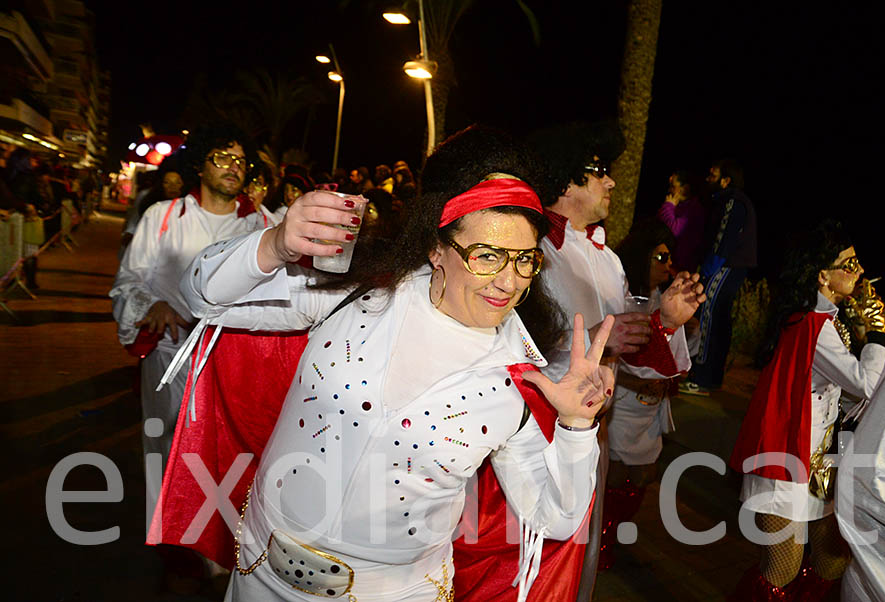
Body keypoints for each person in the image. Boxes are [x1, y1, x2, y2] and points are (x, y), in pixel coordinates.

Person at [176, 125, 615, 601]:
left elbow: (557, 518)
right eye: (486, 256)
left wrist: (574, 426)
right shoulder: (353, 296)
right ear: (437, 249)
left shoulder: (517, 383)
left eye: (524, 260)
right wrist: (275, 244)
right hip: (260, 576)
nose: (507, 281)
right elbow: (201, 297)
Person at [528, 121, 704, 586]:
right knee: (533, 560)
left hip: (593, 438)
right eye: (600, 171)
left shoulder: (607, 260)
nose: (611, 182)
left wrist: (664, 321)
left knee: (580, 562)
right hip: (534, 437)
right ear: (566, 178)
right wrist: (579, 345)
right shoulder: (529, 248)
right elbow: (503, 341)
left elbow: (628, 350)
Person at [109, 122, 267, 538]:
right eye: (222, 157)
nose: (233, 167)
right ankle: (173, 547)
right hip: (170, 358)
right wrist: (153, 305)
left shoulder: (262, 225)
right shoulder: (163, 217)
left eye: (240, 159)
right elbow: (127, 282)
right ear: (200, 164)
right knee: (166, 452)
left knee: (228, 456)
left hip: (234, 363)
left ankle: (220, 550)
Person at [729, 219, 885, 599]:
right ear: (822, 276)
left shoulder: (822, 321)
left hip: (819, 461)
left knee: (831, 558)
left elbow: (846, 394)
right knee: (782, 567)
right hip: (786, 461)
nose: (860, 271)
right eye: (848, 265)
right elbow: (865, 384)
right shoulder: (813, 325)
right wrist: (878, 333)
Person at [600, 218, 679, 548]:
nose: (669, 264)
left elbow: (680, 358)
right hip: (623, 406)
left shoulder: (666, 299)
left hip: (651, 409)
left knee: (643, 475)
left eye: (669, 257)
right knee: (614, 476)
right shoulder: (620, 296)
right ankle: (602, 540)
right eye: (660, 257)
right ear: (641, 257)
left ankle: (615, 536)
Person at [680, 159, 757, 396]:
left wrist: (708, 270)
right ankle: (711, 377)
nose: (707, 179)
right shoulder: (727, 202)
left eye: (713, 175)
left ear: (726, 180)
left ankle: (702, 377)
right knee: (718, 319)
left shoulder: (733, 201)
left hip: (727, 266)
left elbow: (724, 240)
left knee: (709, 316)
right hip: (729, 265)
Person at [837, 336, 885, 601]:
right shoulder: (817, 325)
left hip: (841, 448)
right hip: (810, 447)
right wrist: (875, 342)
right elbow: (865, 385)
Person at [656, 169, 706, 272]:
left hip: (679, 268)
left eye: (673, 186)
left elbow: (674, 230)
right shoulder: (678, 206)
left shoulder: (693, 209)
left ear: (685, 189)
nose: (669, 190)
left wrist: (668, 206)